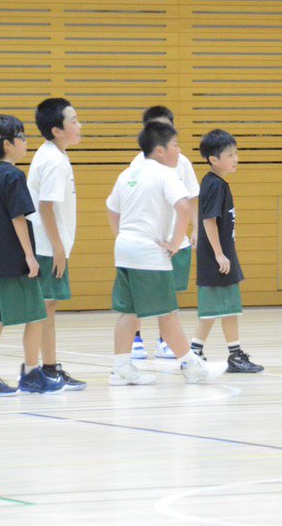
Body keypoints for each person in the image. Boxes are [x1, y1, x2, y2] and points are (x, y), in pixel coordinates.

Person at [105, 121, 210, 385]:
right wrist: (175, 243)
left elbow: (112, 209)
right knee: (168, 313)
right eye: (175, 145)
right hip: (149, 253)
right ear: (160, 150)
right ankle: (191, 366)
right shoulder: (165, 174)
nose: (179, 150)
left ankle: (121, 368)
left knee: (129, 312)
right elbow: (183, 207)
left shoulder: (128, 173)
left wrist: (122, 236)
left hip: (125, 250)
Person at [0, 115, 65, 396]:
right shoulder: (14, 175)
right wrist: (30, 257)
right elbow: (17, 218)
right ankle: (32, 374)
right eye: (21, 138)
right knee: (36, 314)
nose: (25, 142)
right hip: (13, 259)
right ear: (8, 144)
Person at [127, 105, 199, 361]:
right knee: (138, 294)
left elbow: (191, 198)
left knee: (169, 295)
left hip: (175, 241)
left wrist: (195, 229)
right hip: (148, 242)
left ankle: (164, 341)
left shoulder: (181, 161)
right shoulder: (138, 164)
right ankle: (135, 339)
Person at [25, 97, 86, 391]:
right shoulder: (53, 161)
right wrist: (59, 247)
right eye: (73, 121)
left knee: (48, 309)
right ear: (57, 130)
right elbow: (46, 206)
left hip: (49, 245)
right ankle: (39, 371)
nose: (79, 125)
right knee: (44, 309)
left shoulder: (54, 155)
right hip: (47, 247)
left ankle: (48, 368)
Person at [190, 129, 263, 373]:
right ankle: (233, 355)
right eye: (230, 155)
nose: (235, 159)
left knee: (213, 310)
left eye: (236, 153)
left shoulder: (215, 183)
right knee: (228, 308)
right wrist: (220, 254)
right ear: (213, 159)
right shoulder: (214, 185)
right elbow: (209, 220)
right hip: (217, 259)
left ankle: (195, 353)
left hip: (219, 256)